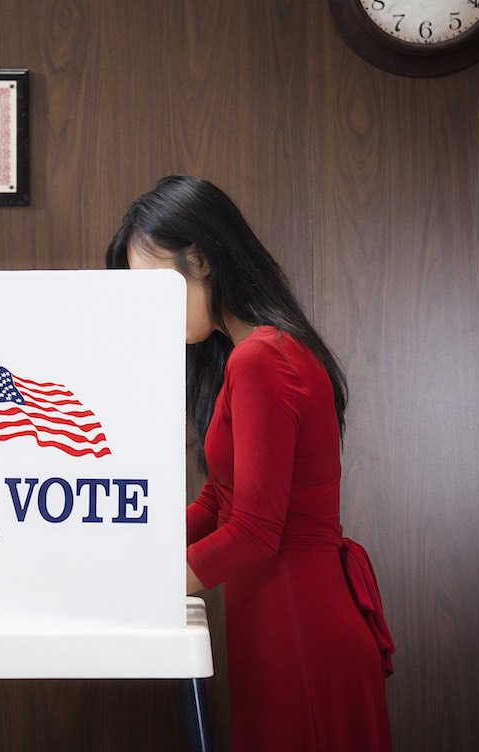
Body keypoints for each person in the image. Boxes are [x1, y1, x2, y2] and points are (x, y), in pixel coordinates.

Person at [107, 176, 394, 752]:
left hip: (299, 627)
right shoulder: (249, 354)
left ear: (204, 260)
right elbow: (221, 500)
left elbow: (256, 530)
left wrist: (144, 586)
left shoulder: (262, 356)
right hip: (276, 621)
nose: (153, 312)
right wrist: (134, 549)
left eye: (157, 287)